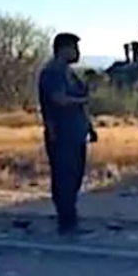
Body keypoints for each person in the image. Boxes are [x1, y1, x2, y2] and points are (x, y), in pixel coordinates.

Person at [37, 32, 97, 235]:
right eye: (74, 48)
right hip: (61, 134)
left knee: (75, 177)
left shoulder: (69, 72)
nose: (78, 53)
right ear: (64, 49)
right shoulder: (52, 72)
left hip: (76, 133)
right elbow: (59, 99)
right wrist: (82, 101)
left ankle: (71, 219)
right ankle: (66, 223)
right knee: (64, 178)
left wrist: (89, 126)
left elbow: (79, 99)